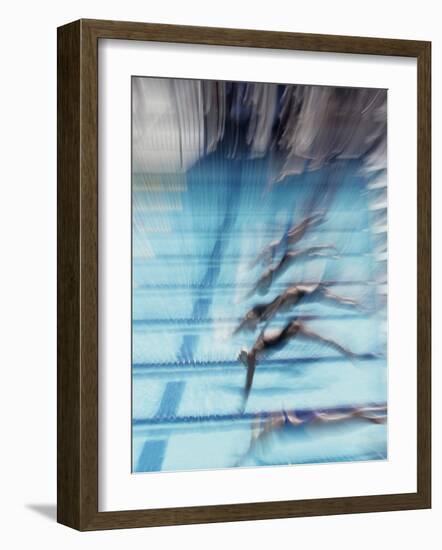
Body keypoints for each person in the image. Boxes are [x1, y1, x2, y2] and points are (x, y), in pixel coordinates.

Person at [237, 317, 359, 409]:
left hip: (294, 329)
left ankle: (347, 352)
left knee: (324, 340)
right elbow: (265, 328)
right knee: (324, 339)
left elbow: (249, 382)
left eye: (247, 365)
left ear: (247, 359)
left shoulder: (253, 356)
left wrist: (243, 403)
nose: (250, 368)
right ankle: (346, 350)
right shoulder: (255, 348)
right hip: (292, 327)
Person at [235, 405, 387, 466]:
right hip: (315, 423)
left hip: (314, 424)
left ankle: (381, 417)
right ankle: (381, 416)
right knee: (355, 415)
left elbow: (259, 436)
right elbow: (258, 431)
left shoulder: (276, 425)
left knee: (355, 416)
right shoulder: (277, 423)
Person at [234, 283, 363, 334]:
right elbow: (243, 324)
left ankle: (359, 306)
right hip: (302, 294)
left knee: (339, 303)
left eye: (252, 326)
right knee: (340, 302)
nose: (254, 327)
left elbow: (276, 306)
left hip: (305, 294)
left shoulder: (268, 310)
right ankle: (358, 305)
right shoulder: (260, 314)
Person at [246, 245, 338, 298]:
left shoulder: (268, 278)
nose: (262, 283)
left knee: (309, 254)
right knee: (310, 256)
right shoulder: (269, 279)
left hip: (288, 260)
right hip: (289, 260)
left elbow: (254, 289)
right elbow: (254, 289)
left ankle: (328, 248)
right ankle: (328, 252)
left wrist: (244, 298)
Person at [249, 211, 325, 268]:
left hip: (289, 240)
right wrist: (254, 263)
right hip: (287, 238)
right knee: (304, 225)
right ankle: (318, 216)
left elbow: (262, 258)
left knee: (305, 226)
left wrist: (253, 264)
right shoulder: (270, 250)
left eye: (266, 261)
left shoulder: (270, 251)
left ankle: (318, 217)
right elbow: (262, 258)